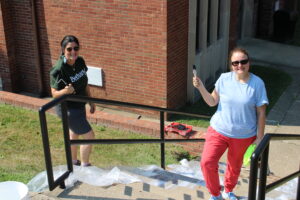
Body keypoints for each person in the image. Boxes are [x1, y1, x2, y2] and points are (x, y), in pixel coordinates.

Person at [193, 47, 268, 200]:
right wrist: (200, 87)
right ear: (231, 65)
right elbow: (212, 101)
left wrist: (260, 138)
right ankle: (215, 194)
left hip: (244, 135)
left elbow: (261, 112)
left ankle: (228, 190)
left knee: (234, 167)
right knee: (207, 162)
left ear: (249, 62)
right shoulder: (224, 79)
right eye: (235, 63)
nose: (239, 66)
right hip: (218, 130)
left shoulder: (257, 84)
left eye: (243, 61)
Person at [50, 35, 95, 167]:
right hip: (67, 108)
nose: (73, 52)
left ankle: (73, 163)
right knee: (89, 135)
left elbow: (85, 83)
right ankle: (85, 166)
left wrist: (91, 101)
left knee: (74, 133)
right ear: (63, 50)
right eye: (69, 49)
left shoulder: (80, 61)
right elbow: (54, 94)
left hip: (79, 104)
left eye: (76, 48)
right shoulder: (58, 70)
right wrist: (65, 91)